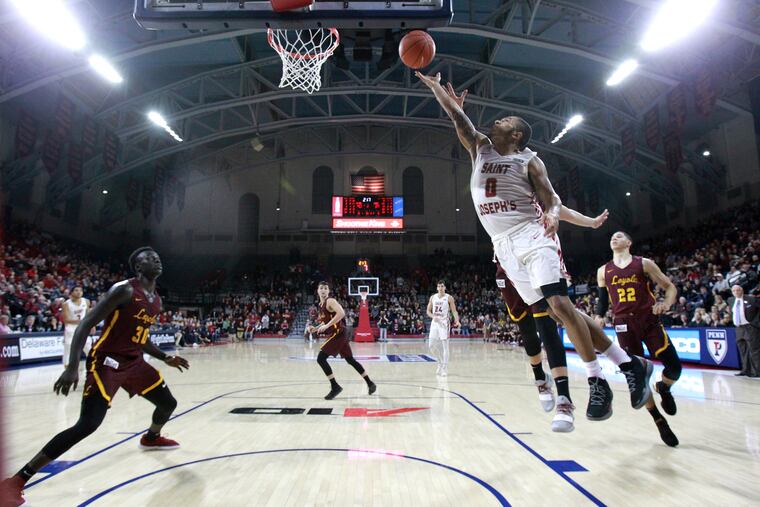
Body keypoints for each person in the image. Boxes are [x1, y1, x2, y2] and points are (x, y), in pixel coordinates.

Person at [418, 71, 652, 421]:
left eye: (505, 121)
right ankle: (630, 364)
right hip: (503, 246)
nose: (497, 121)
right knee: (560, 311)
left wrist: (554, 215)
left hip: (533, 234)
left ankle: (597, 381)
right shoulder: (480, 149)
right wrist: (438, 89)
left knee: (558, 304)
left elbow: (552, 199)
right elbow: (457, 117)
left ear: (515, 135)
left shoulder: (529, 160)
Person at [0, 247, 190, 507]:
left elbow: (141, 338)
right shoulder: (123, 290)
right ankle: (17, 480)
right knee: (88, 424)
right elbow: (85, 324)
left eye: (157, 256)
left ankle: (151, 438)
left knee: (168, 404)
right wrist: (72, 367)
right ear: (137, 267)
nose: (155, 259)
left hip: (134, 361)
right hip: (107, 362)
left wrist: (165, 357)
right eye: (148, 258)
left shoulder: (156, 300)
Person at [494, 206, 609, 433]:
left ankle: (564, 398)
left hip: (536, 252)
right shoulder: (489, 193)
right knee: (526, 328)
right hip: (505, 261)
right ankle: (540, 378)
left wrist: (591, 222)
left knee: (548, 322)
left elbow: (557, 206)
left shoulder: (534, 190)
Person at [596, 231, 681, 446]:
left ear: (629, 242)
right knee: (638, 376)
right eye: (612, 237)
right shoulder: (603, 271)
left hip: (648, 319)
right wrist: (599, 317)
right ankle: (659, 420)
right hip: (624, 324)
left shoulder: (644, 263)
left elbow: (670, 287)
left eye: (619, 236)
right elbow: (602, 301)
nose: (614, 238)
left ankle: (664, 387)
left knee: (674, 367)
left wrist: (666, 304)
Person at [306, 281, 376, 400]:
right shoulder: (321, 304)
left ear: (328, 291)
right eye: (321, 288)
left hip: (338, 333)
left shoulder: (330, 301)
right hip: (339, 334)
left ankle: (335, 386)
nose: (323, 290)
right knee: (350, 360)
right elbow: (325, 321)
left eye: (325, 288)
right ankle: (370, 383)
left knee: (321, 358)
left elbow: (341, 313)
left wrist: (327, 326)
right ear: (317, 290)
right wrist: (315, 328)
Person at [426, 280, 461, 377]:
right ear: (437, 288)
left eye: (442, 286)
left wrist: (457, 320)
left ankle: (444, 368)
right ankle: (440, 362)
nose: (440, 288)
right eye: (439, 286)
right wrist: (433, 316)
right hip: (435, 323)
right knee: (431, 346)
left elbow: (454, 311)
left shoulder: (449, 298)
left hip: (444, 323)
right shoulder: (433, 297)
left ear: (445, 287)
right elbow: (428, 311)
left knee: (445, 346)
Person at [729, 284, 760, 378]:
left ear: (742, 290)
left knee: (754, 350)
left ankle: (757, 371)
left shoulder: (751, 299)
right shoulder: (731, 300)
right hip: (739, 328)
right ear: (732, 292)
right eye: (734, 291)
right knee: (743, 350)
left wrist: (755, 322)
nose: (736, 292)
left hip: (750, 327)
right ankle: (745, 370)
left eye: (738, 290)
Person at [62, 286, 91, 368]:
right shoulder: (66, 304)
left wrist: (92, 325)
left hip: (83, 327)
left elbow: (88, 315)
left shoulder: (86, 301)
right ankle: (67, 367)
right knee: (68, 347)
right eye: (76, 290)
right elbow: (66, 320)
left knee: (88, 346)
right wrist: (79, 321)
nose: (79, 292)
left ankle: (93, 363)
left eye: (81, 290)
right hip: (71, 328)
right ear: (71, 293)